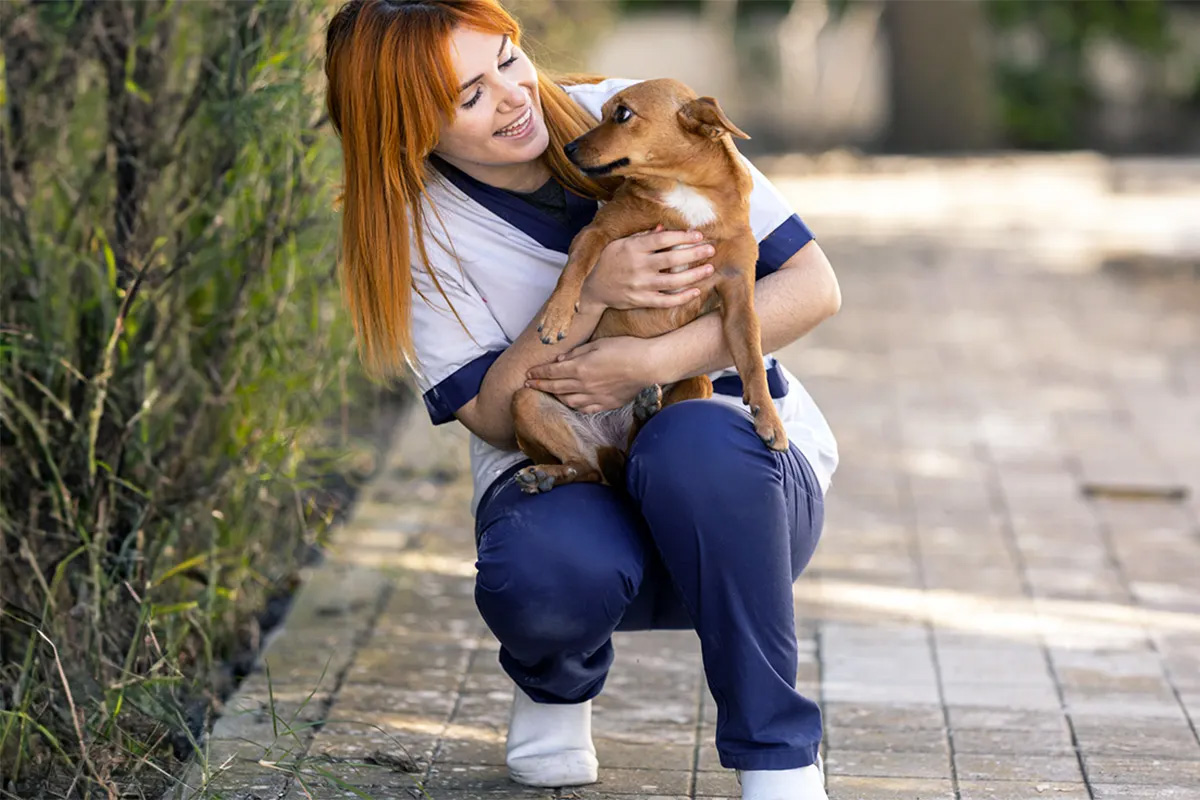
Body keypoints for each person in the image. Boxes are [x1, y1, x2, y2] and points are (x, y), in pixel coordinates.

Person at [323, 1, 841, 797]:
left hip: (738, 490)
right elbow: (495, 418)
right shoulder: (418, 230)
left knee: (696, 441)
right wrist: (590, 296)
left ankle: (778, 759)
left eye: (506, 58)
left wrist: (651, 359)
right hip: (576, 476)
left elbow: (811, 286)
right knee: (540, 574)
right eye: (469, 96)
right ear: (406, 128)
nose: (512, 94)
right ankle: (554, 683)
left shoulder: (647, 112)